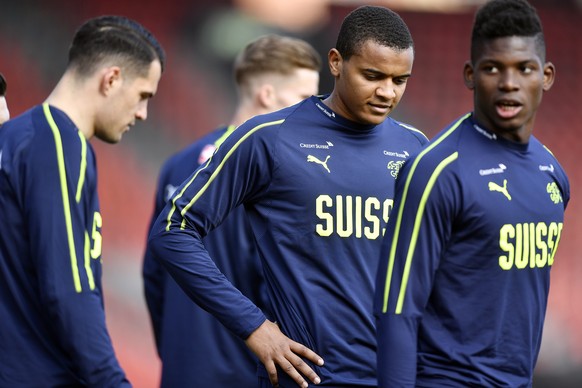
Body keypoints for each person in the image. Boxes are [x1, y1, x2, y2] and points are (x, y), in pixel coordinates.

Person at [148, 5, 428, 387]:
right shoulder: (269, 137)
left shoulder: (415, 147)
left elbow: (429, 267)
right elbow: (173, 229)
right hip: (305, 377)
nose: (387, 92)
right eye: (372, 76)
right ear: (335, 62)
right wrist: (254, 327)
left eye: (401, 80)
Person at [373, 0, 570, 386]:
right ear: (470, 74)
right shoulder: (436, 171)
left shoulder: (553, 172)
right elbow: (397, 310)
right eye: (493, 68)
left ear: (545, 76)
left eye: (524, 69)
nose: (509, 83)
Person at [142, 34, 321, 387]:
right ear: (267, 95)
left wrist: (176, 353)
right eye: (303, 98)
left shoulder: (178, 164)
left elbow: (153, 277)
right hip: (254, 371)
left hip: (183, 371)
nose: (311, 111)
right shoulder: (282, 177)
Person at [0, 16, 165, 387]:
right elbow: (69, 287)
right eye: (143, 96)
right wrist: (112, 381)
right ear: (111, 79)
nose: (142, 114)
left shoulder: (14, 138)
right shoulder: (59, 145)